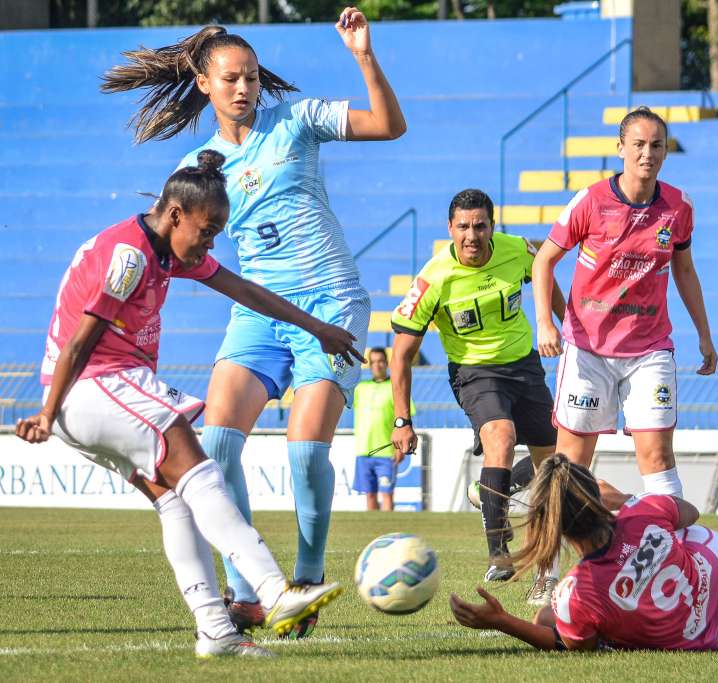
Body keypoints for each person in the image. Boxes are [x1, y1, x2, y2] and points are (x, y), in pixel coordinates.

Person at [100, 7, 406, 636]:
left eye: (252, 78)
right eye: (231, 79)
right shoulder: (200, 164)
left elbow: (388, 125)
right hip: (259, 311)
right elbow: (172, 244)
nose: (244, 89)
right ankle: (246, 591)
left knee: (302, 453)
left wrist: (363, 56)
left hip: (330, 303)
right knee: (214, 444)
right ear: (205, 82)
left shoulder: (294, 121)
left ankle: (309, 576)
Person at [15, 151, 355, 658]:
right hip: (94, 385)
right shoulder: (131, 254)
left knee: (175, 501)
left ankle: (216, 631)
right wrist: (47, 411)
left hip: (91, 398)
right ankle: (274, 592)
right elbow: (80, 342)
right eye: (208, 229)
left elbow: (243, 289)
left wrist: (318, 329)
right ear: (175, 214)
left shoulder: (166, 251)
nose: (211, 240)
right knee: (197, 463)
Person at [531, 107, 716, 501]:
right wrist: (545, 324)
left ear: (665, 152)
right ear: (620, 148)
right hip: (587, 350)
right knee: (571, 467)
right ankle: (551, 564)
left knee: (658, 455)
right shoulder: (591, 202)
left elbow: (685, 271)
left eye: (656, 145)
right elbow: (543, 259)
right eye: (638, 145)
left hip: (649, 350)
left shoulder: (679, 208)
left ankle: (670, 555)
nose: (647, 153)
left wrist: (704, 334)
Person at [390, 189, 565, 602]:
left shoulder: (517, 250)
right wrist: (402, 419)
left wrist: (565, 326)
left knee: (552, 467)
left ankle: (501, 513)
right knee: (500, 437)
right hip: (475, 372)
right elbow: (401, 355)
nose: (472, 235)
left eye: (480, 225)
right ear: (450, 228)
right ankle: (499, 552)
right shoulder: (434, 277)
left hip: (525, 366)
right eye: (463, 227)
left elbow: (546, 275)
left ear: (492, 225)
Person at [449, 454, 718, 652]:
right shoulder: (641, 511)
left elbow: (570, 645)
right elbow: (691, 512)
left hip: (707, 643)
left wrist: (501, 620)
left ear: (555, 527)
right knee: (677, 526)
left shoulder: (575, 592)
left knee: (555, 617)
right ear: (597, 496)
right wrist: (625, 500)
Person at [352, 347, 413, 511]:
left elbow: (406, 418)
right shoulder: (360, 388)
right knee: (369, 495)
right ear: (369, 365)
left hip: (386, 452)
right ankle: (372, 533)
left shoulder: (396, 388)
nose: (377, 365)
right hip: (364, 451)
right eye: (373, 362)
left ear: (386, 363)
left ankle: (387, 531)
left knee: (387, 494)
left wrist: (400, 447)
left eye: (380, 361)